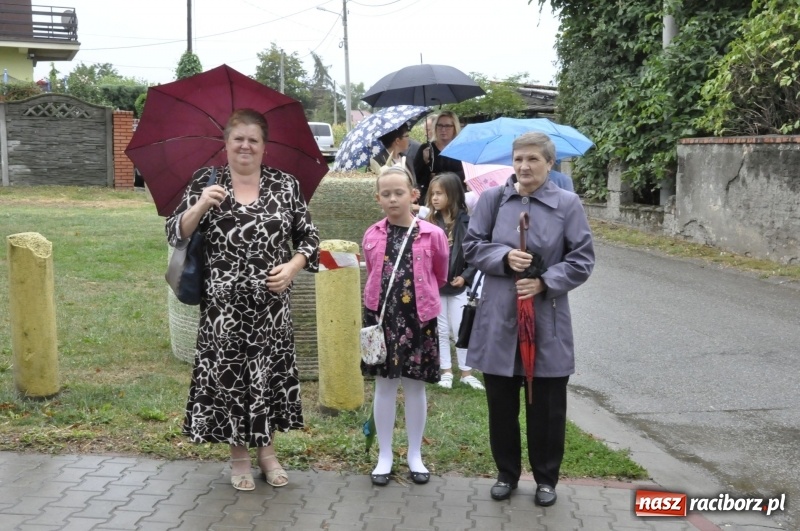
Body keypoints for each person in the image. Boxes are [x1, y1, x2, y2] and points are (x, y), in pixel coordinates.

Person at [165, 108, 320, 492]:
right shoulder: (206, 181)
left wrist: (292, 267)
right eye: (238, 139)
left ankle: (267, 453)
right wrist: (201, 205)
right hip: (223, 310)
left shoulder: (285, 185)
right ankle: (238, 457)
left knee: (266, 377)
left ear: (265, 147)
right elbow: (175, 232)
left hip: (271, 307)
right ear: (226, 144)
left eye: (253, 140)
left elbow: (309, 239)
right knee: (230, 378)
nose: (245, 146)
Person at [462, 132, 595, 507]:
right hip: (499, 317)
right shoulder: (492, 200)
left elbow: (582, 259)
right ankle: (506, 473)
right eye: (518, 158)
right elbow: (472, 246)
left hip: (546, 319)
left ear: (550, 164)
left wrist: (544, 281)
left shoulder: (567, 204)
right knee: (501, 405)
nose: (524, 166)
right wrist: (503, 257)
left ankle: (546, 479)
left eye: (533, 159)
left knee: (547, 407)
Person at [361, 166, 449, 487]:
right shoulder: (372, 234)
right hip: (381, 319)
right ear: (377, 198)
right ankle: (384, 455)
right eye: (386, 194)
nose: (393, 199)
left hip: (419, 318)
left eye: (399, 193)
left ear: (413, 194)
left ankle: (415, 454)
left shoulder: (432, 234)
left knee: (414, 386)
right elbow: (373, 271)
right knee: (384, 386)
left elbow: (440, 273)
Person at [425, 172, 484, 390]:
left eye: (440, 193)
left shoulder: (468, 222)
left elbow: (476, 255)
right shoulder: (429, 223)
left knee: (461, 327)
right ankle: (446, 371)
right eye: (432, 194)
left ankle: (466, 372)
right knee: (440, 329)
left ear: (453, 194)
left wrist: (466, 277)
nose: (434, 198)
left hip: (458, 286)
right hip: (436, 286)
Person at [413, 111, 465, 202]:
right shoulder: (426, 148)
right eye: (440, 125)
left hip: (456, 196)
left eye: (447, 126)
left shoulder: (461, 149)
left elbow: (465, 174)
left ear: (454, 128)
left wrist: (439, 176)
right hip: (432, 198)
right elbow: (418, 177)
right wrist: (425, 162)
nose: (443, 129)